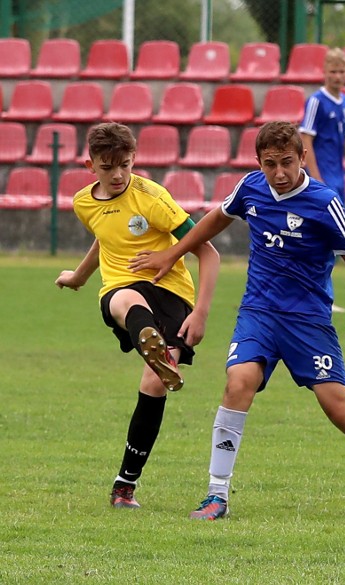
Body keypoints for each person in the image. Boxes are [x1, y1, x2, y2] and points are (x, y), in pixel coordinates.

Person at [129, 121, 345, 520]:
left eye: (287, 163)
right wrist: (172, 254)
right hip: (258, 313)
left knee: (340, 410)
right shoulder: (251, 187)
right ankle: (216, 495)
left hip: (307, 321)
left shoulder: (324, 202)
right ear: (258, 162)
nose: (279, 173)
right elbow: (215, 218)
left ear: (303, 158)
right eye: (270, 164)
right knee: (238, 382)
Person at [55, 122, 220, 508]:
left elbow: (207, 251)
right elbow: (105, 236)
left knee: (154, 385)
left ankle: (124, 485)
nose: (117, 175)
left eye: (125, 165)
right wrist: (79, 276)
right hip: (123, 290)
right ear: (89, 164)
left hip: (172, 293)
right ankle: (156, 348)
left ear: (135, 160)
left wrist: (201, 312)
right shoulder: (83, 202)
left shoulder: (153, 198)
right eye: (108, 166)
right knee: (124, 299)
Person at [300, 47, 345, 314]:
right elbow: (306, 140)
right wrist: (316, 181)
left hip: (338, 182)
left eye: (342, 71)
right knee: (318, 237)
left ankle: (322, 294)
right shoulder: (316, 102)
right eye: (333, 71)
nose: (337, 76)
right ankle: (312, 292)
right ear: (324, 72)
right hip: (323, 181)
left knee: (336, 239)